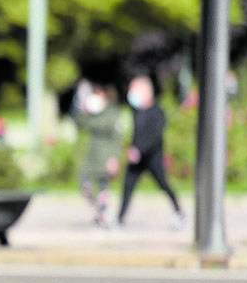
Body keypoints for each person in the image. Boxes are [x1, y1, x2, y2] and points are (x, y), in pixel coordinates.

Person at [117, 75, 185, 228]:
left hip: (152, 158)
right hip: (136, 158)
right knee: (127, 187)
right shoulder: (136, 111)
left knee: (163, 184)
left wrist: (139, 150)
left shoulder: (157, 112)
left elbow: (154, 137)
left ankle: (179, 212)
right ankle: (120, 218)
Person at [70, 80, 121, 228]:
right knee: (84, 185)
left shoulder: (112, 113)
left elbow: (116, 137)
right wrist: (81, 107)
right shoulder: (93, 113)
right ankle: (100, 212)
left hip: (106, 155)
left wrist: (114, 158)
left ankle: (104, 216)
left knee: (102, 189)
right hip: (92, 155)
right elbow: (80, 123)